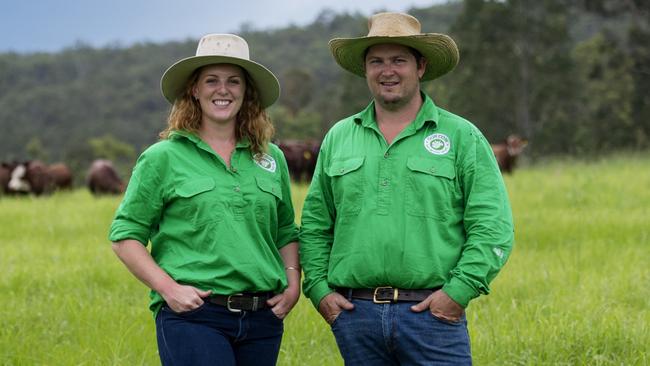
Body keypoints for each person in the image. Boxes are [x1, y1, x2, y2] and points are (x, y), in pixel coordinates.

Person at [300, 12, 515, 365]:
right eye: (376, 62)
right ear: (365, 70)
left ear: (421, 66)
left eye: (399, 60)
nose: (388, 71)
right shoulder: (339, 137)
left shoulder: (461, 136)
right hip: (356, 316)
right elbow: (315, 224)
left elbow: (493, 226)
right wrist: (320, 291)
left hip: (432, 315)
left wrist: (457, 292)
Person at [109, 33, 300, 366]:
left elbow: (285, 230)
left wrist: (293, 282)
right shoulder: (162, 158)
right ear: (194, 91)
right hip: (195, 316)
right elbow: (125, 236)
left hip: (263, 319)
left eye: (233, 81)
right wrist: (169, 289)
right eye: (211, 80)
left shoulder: (272, 159)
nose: (222, 89)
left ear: (246, 92)